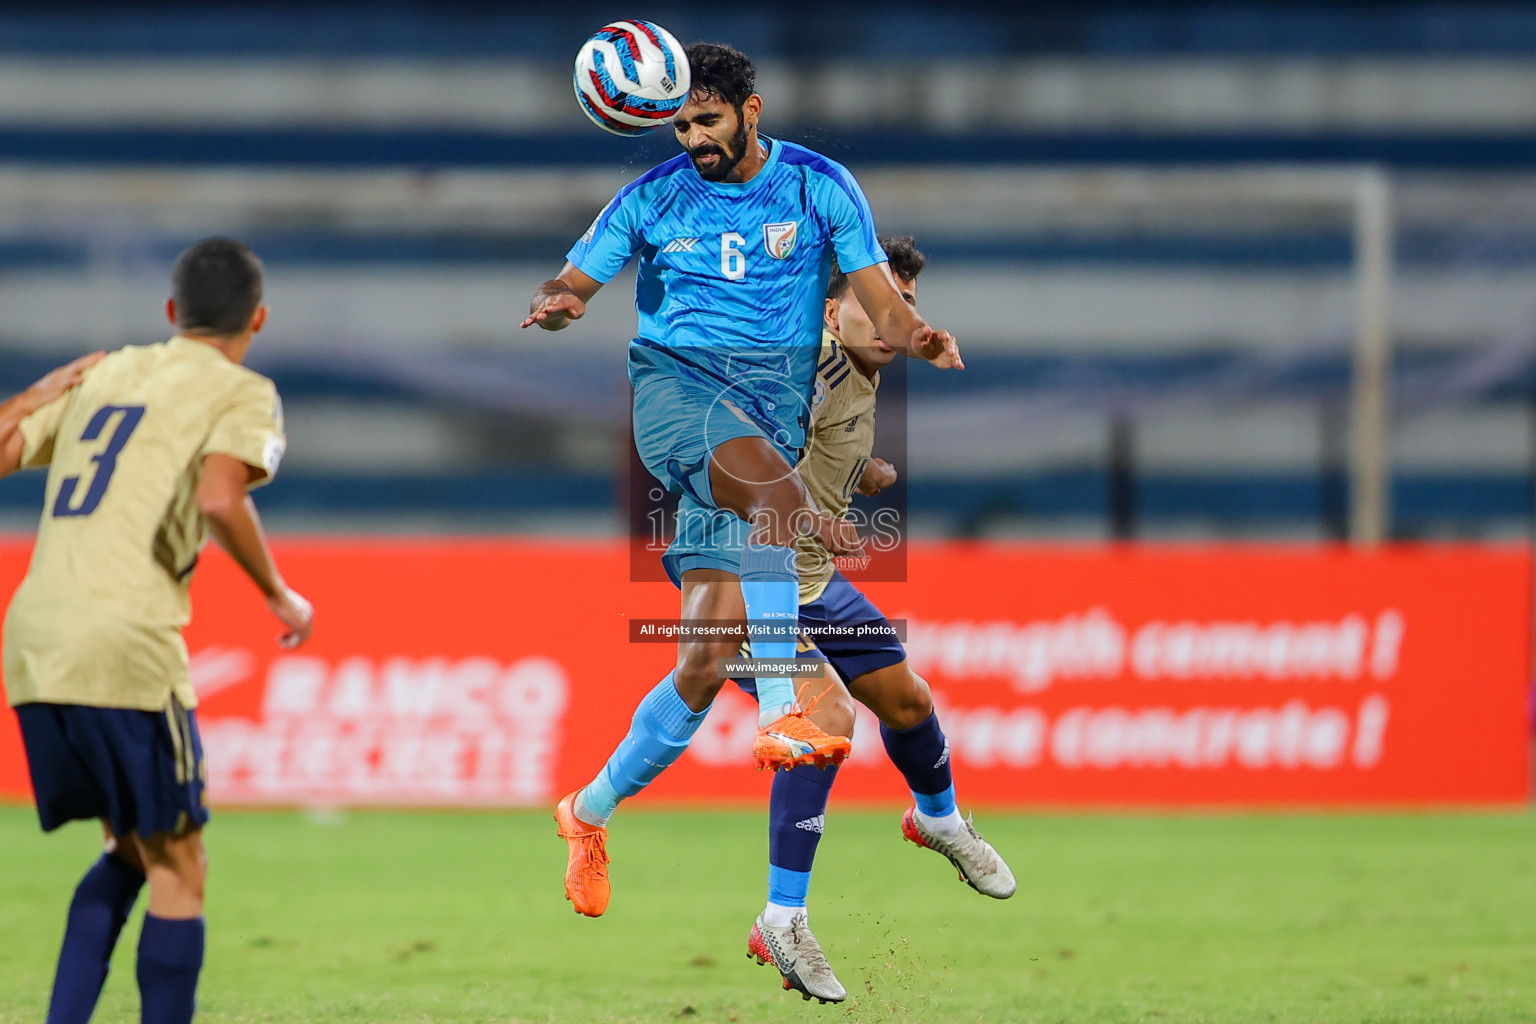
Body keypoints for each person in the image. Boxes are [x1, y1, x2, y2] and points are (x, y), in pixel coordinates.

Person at [524, 44, 961, 920]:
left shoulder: (818, 186)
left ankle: (588, 812)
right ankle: (779, 711)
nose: (693, 138)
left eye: (707, 120)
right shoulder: (650, 198)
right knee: (772, 495)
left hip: (767, 424)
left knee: (701, 657)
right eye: (680, 124)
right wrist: (564, 301)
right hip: (677, 393)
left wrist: (918, 337)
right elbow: (576, 276)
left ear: (750, 110)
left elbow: (878, 299)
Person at [676, 237, 1015, 1002]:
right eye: (878, 302)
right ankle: (782, 920)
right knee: (824, 717)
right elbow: (738, 454)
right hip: (741, 587)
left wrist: (857, 470)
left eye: (908, 306)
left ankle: (939, 819)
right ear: (832, 311)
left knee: (910, 701)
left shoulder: (859, 373)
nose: (898, 317)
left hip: (813, 583)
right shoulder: (812, 367)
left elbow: (807, 450)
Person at [1, 237, 314, 1024]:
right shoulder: (243, 391)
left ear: (173, 313)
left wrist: (35, 395)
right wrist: (279, 594)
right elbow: (218, 498)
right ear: (259, 319)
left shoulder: (104, 371)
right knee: (181, 866)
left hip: (36, 638)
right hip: (125, 638)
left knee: (133, 849)